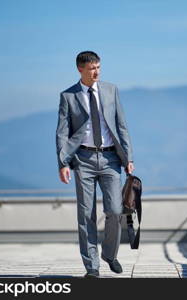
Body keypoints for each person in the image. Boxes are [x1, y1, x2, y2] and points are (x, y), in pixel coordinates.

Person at [56, 51, 134, 278]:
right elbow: (62, 133)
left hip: (111, 159)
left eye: (99, 67)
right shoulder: (68, 96)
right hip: (83, 160)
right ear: (80, 69)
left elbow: (122, 126)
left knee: (115, 210)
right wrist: (63, 163)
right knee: (85, 214)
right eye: (92, 68)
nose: (97, 72)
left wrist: (128, 157)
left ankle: (109, 254)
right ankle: (92, 267)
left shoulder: (111, 90)